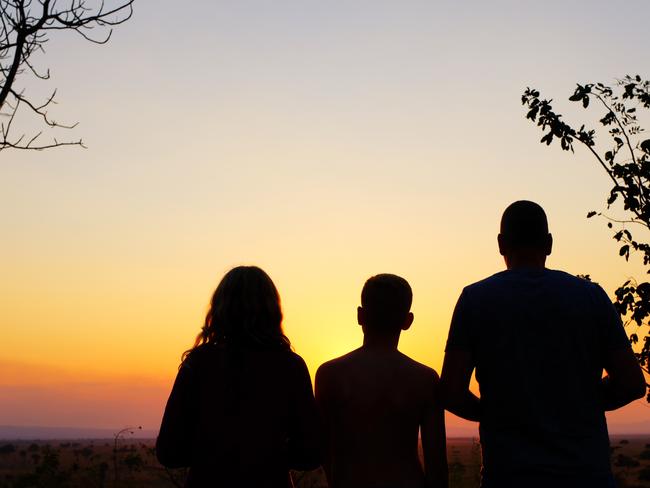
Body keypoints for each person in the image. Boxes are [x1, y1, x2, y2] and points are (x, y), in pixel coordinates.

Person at [441, 200, 647, 488]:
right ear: (549, 244)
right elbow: (632, 384)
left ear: (501, 244)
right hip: (586, 476)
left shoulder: (475, 300)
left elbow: (450, 392)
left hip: (509, 476)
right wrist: (580, 400)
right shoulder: (591, 297)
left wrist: (497, 412)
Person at [156, 266, 320, 487]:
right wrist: (268, 453)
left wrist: (212, 452)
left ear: (220, 308)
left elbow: (169, 452)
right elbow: (309, 455)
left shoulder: (198, 364)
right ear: (272, 309)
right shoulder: (290, 366)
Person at [315, 274, 448, 488]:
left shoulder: (330, 374)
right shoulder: (424, 379)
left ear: (360, 315)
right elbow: (437, 464)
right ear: (408, 321)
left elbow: (321, 448)